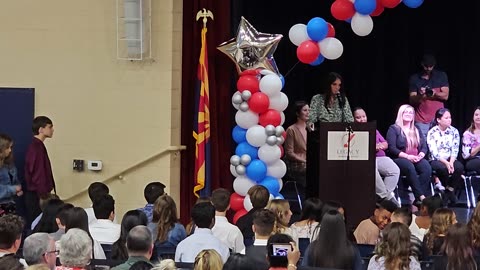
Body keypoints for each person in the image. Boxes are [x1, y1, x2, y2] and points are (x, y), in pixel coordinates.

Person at [386, 104, 432, 204]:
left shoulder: (416, 129)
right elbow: (392, 148)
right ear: (400, 114)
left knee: (426, 168)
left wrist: (421, 155)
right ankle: (421, 196)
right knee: (409, 166)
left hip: (416, 158)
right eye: (405, 112)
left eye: (411, 112)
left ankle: (417, 199)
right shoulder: (394, 129)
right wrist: (407, 156)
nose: (408, 114)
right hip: (400, 158)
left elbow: (424, 146)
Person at [353, 108, 400, 204]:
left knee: (394, 170)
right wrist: (372, 147)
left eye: (363, 116)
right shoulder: (354, 132)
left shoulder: (373, 129)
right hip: (367, 159)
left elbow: (385, 143)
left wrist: (381, 146)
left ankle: (383, 198)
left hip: (381, 157)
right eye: (358, 117)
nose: (362, 119)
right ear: (353, 119)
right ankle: (386, 198)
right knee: (371, 167)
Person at [409, 54, 449, 140]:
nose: (428, 69)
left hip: (438, 120)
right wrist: (421, 95)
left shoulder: (441, 76)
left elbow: (445, 96)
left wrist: (434, 93)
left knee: (440, 144)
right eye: (426, 66)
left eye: (431, 66)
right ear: (422, 64)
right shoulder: (415, 78)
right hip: (421, 120)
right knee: (423, 147)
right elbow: (412, 99)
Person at [427, 108, 463, 202]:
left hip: (450, 158)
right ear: (438, 120)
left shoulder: (454, 131)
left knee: (459, 168)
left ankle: (448, 191)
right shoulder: (432, 132)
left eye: (450, 117)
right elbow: (434, 152)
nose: (449, 120)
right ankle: (449, 190)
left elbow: (455, 149)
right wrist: (446, 163)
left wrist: (451, 162)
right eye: (446, 118)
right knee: (442, 169)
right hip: (437, 159)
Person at [25, 116, 56, 225]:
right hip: (37, 196)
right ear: (41, 129)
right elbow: (38, 174)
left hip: (38, 194)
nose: (52, 130)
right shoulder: (36, 148)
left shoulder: (38, 146)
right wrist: (44, 195)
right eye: (50, 127)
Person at [211, 188, 245, 254]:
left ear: (211, 203)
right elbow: (241, 256)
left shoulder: (201, 228)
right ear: (229, 206)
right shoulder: (235, 231)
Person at [284, 101, 309, 188]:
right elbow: (289, 153)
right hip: (297, 165)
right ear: (297, 113)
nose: (308, 113)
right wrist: (304, 161)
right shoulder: (291, 130)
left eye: (309, 110)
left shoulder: (311, 127)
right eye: (305, 110)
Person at [0, 134, 22, 216]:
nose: (10, 150)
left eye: (11, 147)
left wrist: (18, 188)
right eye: (7, 148)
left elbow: (15, 181)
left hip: (10, 204)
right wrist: (13, 189)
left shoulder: (10, 165)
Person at [462, 106, 480, 173]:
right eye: (476, 115)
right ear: (473, 117)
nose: (478, 117)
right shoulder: (468, 134)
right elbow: (467, 155)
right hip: (472, 160)